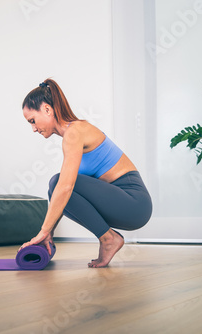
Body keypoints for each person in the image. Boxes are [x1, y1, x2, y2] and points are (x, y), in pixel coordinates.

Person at [19, 78, 152, 268]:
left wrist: (42, 231)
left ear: (47, 110)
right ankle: (108, 238)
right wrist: (49, 233)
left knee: (58, 183)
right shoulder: (72, 134)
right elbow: (64, 193)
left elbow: (65, 186)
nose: (33, 128)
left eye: (33, 121)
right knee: (54, 187)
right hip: (123, 204)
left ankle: (108, 239)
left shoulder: (74, 132)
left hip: (135, 203)